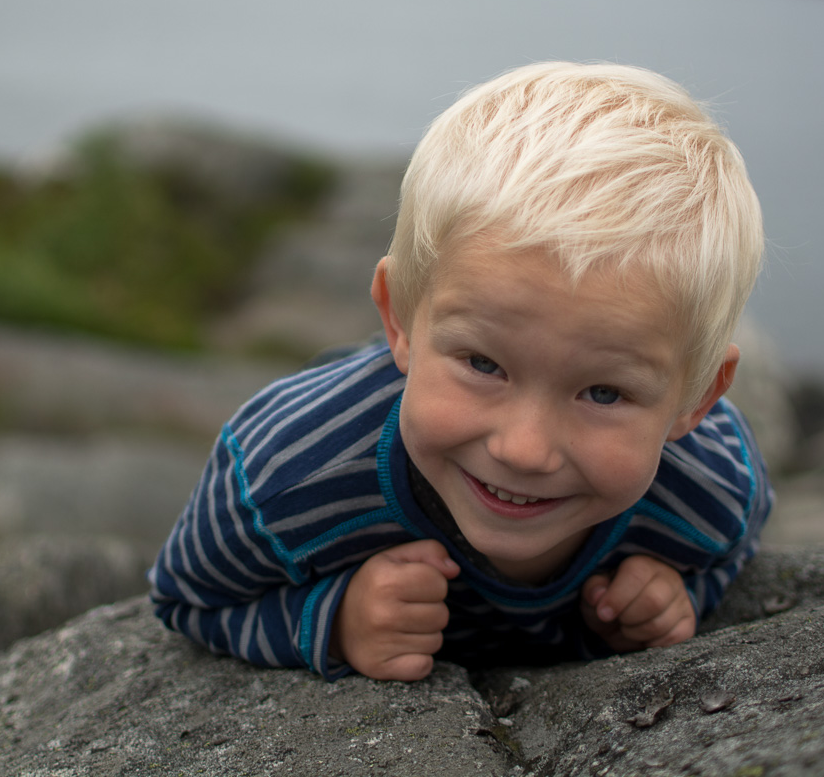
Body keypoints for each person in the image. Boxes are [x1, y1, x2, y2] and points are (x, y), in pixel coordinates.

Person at [148, 62, 772, 681]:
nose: (525, 450)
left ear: (697, 397)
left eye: (603, 393)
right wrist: (333, 621)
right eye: (483, 364)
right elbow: (185, 597)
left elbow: (737, 550)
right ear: (400, 319)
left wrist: (678, 597)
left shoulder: (713, 487)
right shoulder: (285, 474)